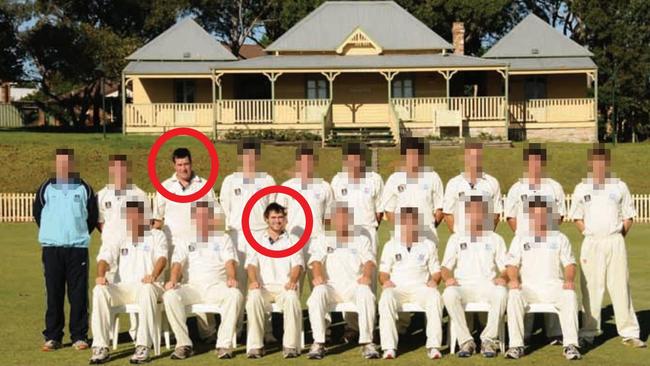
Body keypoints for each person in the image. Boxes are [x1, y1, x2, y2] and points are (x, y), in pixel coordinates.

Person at [569, 144, 645, 348]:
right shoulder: (582, 188)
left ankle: (629, 332)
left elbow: (629, 216)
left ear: (607, 163)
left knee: (620, 286)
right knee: (590, 289)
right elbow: (576, 216)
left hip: (614, 241)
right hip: (592, 242)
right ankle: (588, 332)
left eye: (602, 162)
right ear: (591, 164)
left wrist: (619, 235)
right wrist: (587, 232)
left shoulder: (619, 186)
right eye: (596, 162)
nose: (599, 166)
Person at [33, 148, 98, 351]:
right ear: (56, 164)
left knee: (78, 293)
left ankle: (79, 336)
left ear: (72, 165)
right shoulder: (46, 187)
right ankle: (53, 336)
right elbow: (38, 214)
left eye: (67, 163)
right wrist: (53, 235)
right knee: (54, 292)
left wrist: (77, 234)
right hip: (52, 249)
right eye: (60, 163)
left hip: (77, 249)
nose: (63, 167)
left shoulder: (84, 188)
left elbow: (92, 217)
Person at [152, 147, 220, 341]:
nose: (183, 168)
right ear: (174, 165)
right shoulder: (165, 186)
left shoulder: (203, 185)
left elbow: (214, 216)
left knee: (200, 284)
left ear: (192, 163)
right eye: (179, 164)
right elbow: (157, 219)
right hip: (172, 246)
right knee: (171, 288)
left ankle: (208, 333)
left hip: (199, 246)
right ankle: (173, 333)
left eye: (186, 164)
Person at [89, 200, 167, 364]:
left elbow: (162, 258)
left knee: (147, 289)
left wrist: (153, 275)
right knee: (99, 290)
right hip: (124, 288)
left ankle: (143, 346)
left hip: (150, 286)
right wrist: (101, 275)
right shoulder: (121, 237)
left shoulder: (156, 235)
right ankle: (100, 347)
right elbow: (105, 257)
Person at [163, 200, 243, 360]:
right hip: (192, 287)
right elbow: (177, 263)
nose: (203, 221)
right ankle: (184, 344)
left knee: (235, 294)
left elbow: (230, 262)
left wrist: (232, 278)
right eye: (199, 217)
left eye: (206, 217)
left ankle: (223, 345)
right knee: (170, 295)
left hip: (216, 286)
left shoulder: (223, 238)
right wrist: (172, 280)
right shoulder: (185, 239)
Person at [504, 197, 582, 360]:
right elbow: (512, 265)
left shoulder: (560, 238)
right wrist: (513, 280)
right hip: (528, 288)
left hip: (553, 287)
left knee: (569, 295)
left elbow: (570, 265)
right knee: (513, 295)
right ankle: (516, 346)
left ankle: (571, 345)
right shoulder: (520, 237)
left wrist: (568, 280)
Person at [504, 143, 565, 344]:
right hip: (525, 244)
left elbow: (559, 216)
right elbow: (511, 216)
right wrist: (523, 236)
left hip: (549, 245)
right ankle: (524, 332)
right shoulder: (517, 188)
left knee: (553, 280)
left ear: (543, 163)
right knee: (523, 284)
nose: (535, 166)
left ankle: (554, 332)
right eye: (531, 162)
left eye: (538, 162)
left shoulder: (554, 187)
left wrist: (547, 235)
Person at [306, 202, 379, 360]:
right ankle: (319, 342)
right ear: (332, 219)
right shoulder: (324, 238)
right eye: (338, 217)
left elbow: (369, 261)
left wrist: (366, 276)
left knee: (366, 293)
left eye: (346, 217)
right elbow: (316, 261)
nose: (342, 221)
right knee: (316, 295)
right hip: (331, 286)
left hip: (353, 285)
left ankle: (367, 342)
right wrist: (318, 276)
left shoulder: (361, 238)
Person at [441, 193, 508, 358]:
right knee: (449, 294)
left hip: (487, 285)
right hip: (462, 286)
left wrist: (503, 278)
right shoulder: (456, 238)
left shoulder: (495, 239)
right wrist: (448, 278)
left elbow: (506, 268)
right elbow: (445, 267)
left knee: (501, 292)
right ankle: (466, 341)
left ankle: (488, 339)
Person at [378, 207, 443, 360]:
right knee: (386, 297)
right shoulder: (391, 245)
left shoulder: (428, 245)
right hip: (397, 288)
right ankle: (389, 348)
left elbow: (436, 271)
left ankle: (433, 346)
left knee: (435, 296)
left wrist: (434, 281)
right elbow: (383, 272)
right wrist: (386, 281)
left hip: (421, 288)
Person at [97, 154, 150, 341]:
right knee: (108, 288)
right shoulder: (102, 195)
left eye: (123, 169)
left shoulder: (140, 194)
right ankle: (109, 334)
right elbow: (100, 222)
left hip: (134, 250)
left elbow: (146, 222)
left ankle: (137, 333)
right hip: (111, 250)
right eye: (115, 169)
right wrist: (110, 237)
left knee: (135, 286)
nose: (119, 173)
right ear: (111, 171)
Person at [245, 203, 304, 359]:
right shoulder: (257, 239)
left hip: (284, 288)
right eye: (273, 217)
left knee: (292, 298)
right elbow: (251, 264)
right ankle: (255, 346)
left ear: (285, 219)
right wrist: (253, 281)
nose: (277, 221)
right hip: (264, 288)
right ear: (266, 219)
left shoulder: (293, 240)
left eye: (280, 217)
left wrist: (292, 281)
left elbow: (297, 265)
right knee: (253, 298)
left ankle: (290, 346)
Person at [220, 138, 276, 298]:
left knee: (259, 279)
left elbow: (272, 208)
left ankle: (263, 322)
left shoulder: (267, 180)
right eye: (246, 156)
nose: (249, 160)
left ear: (257, 157)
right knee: (237, 280)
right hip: (237, 236)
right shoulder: (230, 181)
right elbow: (225, 208)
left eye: (252, 156)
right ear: (241, 158)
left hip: (260, 236)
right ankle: (237, 322)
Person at [381, 137, 444, 243]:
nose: (413, 158)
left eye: (416, 154)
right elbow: (389, 210)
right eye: (410, 154)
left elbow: (440, 208)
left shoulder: (433, 177)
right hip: (401, 239)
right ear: (405, 156)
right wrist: (401, 229)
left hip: (428, 238)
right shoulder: (395, 179)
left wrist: (430, 226)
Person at [277, 144, 333, 250]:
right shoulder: (286, 187)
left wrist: (328, 240)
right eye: (303, 161)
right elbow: (279, 218)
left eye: (310, 161)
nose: (306, 165)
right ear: (297, 162)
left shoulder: (325, 187)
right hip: (293, 240)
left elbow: (330, 219)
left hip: (317, 242)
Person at [330, 142, 384, 252]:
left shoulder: (375, 179)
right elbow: (333, 209)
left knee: (369, 267)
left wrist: (371, 228)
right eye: (351, 159)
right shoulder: (338, 180)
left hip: (368, 232)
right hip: (345, 233)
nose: (354, 162)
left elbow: (379, 210)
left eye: (357, 158)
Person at [443, 141, 502, 234]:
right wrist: (457, 236)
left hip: (485, 239)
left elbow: (496, 213)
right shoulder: (454, 183)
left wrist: (487, 235)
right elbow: (448, 213)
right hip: (461, 240)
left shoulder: (492, 183)